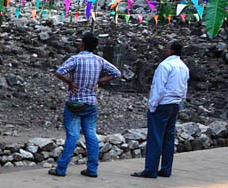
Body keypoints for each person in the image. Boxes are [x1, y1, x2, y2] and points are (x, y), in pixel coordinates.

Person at [49, 32, 120, 178]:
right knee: (91, 135)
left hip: (75, 102)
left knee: (72, 136)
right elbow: (116, 73)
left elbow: (59, 72)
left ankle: (61, 168)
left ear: (82, 44)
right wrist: (99, 81)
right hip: (90, 103)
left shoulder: (76, 59)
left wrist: (70, 82)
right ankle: (92, 169)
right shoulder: (99, 61)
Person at [132, 39, 190, 179]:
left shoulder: (164, 66)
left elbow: (158, 88)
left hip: (163, 104)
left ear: (172, 50)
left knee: (155, 138)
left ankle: (150, 170)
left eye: (166, 47)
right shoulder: (183, 67)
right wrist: (180, 103)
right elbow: (184, 88)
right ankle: (166, 168)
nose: (164, 49)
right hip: (175, 104)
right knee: (168, 138)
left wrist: (152, 106)